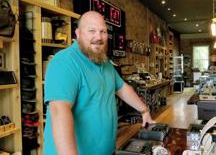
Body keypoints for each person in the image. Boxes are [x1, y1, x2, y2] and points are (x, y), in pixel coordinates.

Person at [43, 11, 155, 155]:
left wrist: (144, 111)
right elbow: (59, 112)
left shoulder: (103, 61)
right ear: (78, 33)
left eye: (102, 31)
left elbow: (122, 88)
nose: (98, 37)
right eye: (91, 31)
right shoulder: (64, 62)